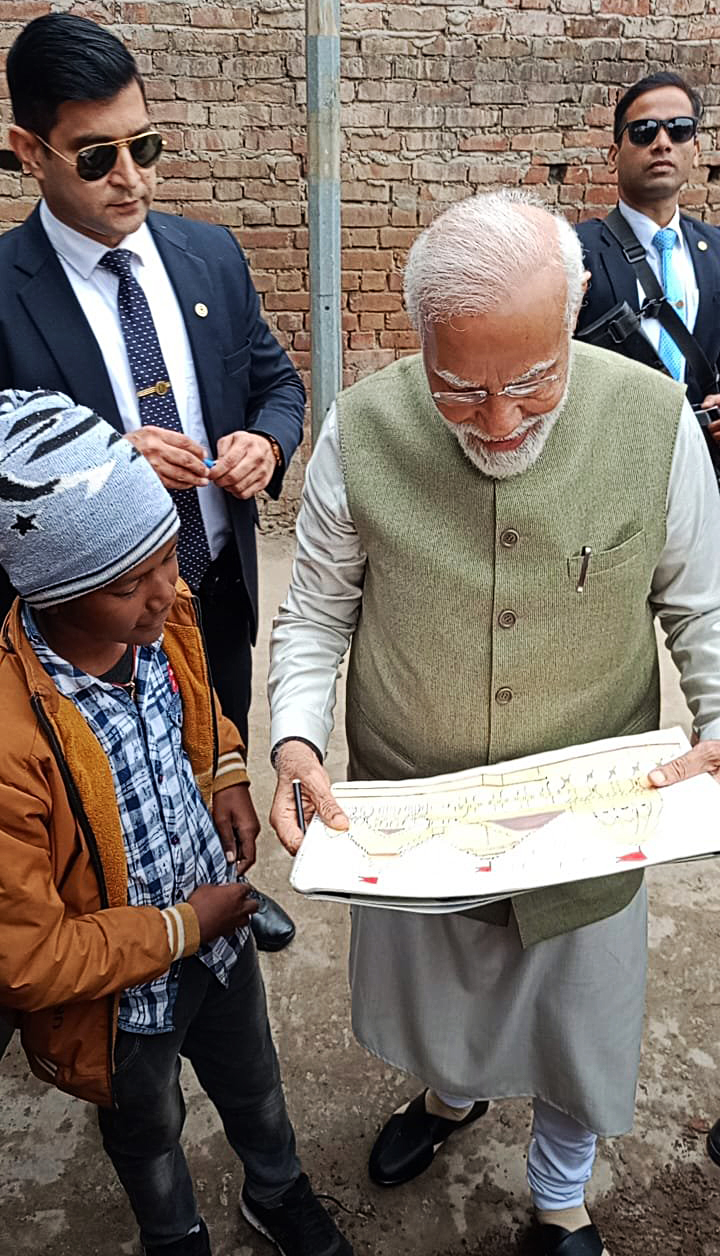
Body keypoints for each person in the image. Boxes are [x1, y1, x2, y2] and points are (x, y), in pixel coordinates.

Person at [267, 190, 720, 1256]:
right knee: (441, 995)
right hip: (416, 812)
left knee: (578, 1023)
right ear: (418, 343)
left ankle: (560, 1196)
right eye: (461, 391)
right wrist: (294, 734)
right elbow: (319, 604)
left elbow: (701, 600)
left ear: (573, 322)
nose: (503, 420)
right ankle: (448, 1097)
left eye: (533, 381)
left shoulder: (653, 420)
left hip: (593, 816)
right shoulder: (362, 427)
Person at [0, 388, 352, 1256]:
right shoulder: (12, 744)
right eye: (132, 584)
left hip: (221, 939)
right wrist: (182, 925)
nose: (169, 593)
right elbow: (30, 958)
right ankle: (174, 1231)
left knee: (256, 1086)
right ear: (53, 593)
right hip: (119, 1001)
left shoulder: (164, 617)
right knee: (146, 1127)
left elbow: (201, 716)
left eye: (169, 556)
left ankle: (276, 1189)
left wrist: (227, 771)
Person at [0, 12, 303, 951]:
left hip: (213, 577)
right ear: (28, 151)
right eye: (96, 158)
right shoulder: (4, 288)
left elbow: (277, 382)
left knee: (220, 755)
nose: (130, 177)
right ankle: (120, 944)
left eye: (145, 146)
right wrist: (99, 464)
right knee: (106, 786)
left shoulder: (208, 253)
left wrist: (267, 442)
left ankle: (226, 893)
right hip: (85, 620)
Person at [574, 71, 720, 433]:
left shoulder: (718, 250)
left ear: (696, 150)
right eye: (644, 131)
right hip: (610, 462)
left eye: (679, 129)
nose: (662, 142)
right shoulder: (574, 251)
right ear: (613, 155)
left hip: (704, 465)